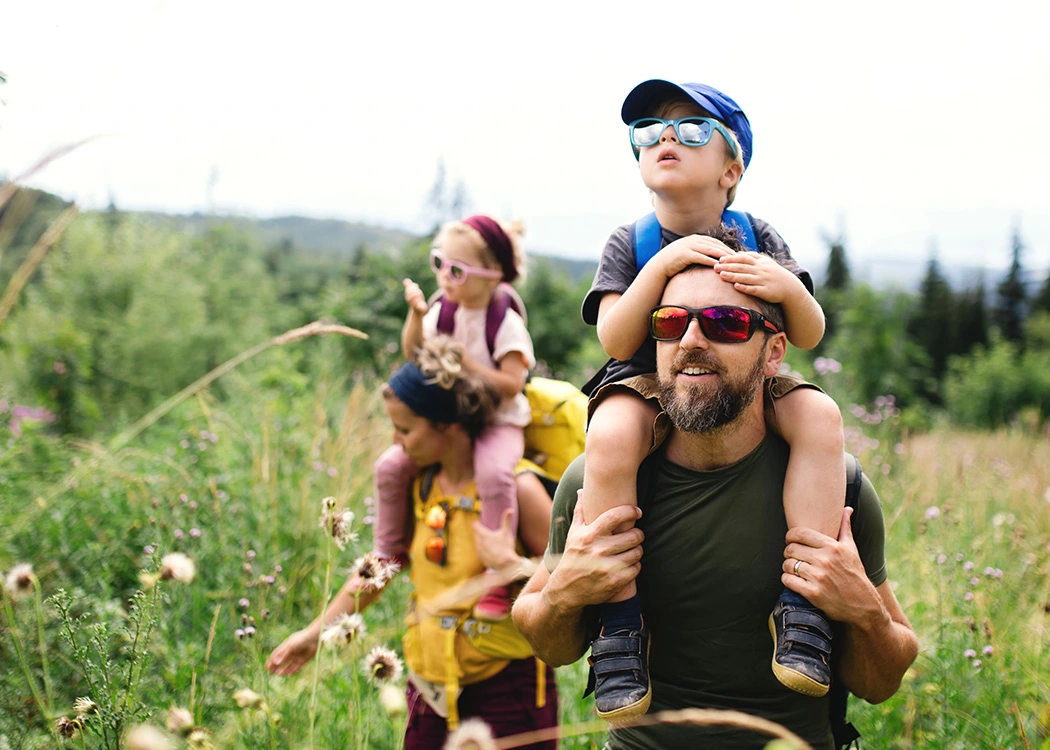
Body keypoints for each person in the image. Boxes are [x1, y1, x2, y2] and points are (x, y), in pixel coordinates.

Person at [512, 239, 919, 749]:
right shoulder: (596, 480)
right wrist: (563, 593)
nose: (690, 340)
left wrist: (863, 611)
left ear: (774, 352)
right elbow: (548, 644)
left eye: (726, 323)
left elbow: (880, 683)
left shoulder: (839, 488)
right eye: (669, 323)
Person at [578, 79, 847, 719]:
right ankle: (620, 622)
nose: (666, 137)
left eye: (692, 129)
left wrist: (785, 284)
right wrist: (659, 271)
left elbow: (808, 333)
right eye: (649, 131)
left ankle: (803, 604)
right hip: (647, 377)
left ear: (731, 170)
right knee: (610, 435)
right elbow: (616, 339)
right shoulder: (632, 241)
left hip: (740, 375)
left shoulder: (757, 234)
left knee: (819, 414)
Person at [267, 337, 558, 750]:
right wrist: (317, 633)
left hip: (509, 687)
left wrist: (511, 563)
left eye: (405, 429)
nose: (396, 441)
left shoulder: (519, 488)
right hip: (428, 685)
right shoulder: (419, 484)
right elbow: (380, 567)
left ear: (447, 425)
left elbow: (567, 577)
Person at [373, 215, 536, 622]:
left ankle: (497, 572)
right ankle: (388, 550)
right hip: (453, 419)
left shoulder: (505, 322)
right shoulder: (443, 310)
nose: (444, 277)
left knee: (494, 474)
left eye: (457, 271)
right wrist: (416, 316)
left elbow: (512, 384)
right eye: (438, 264)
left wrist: (470, 366)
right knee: (390, 467)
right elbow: (415, 353)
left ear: (493, 275)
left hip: (498, 419)